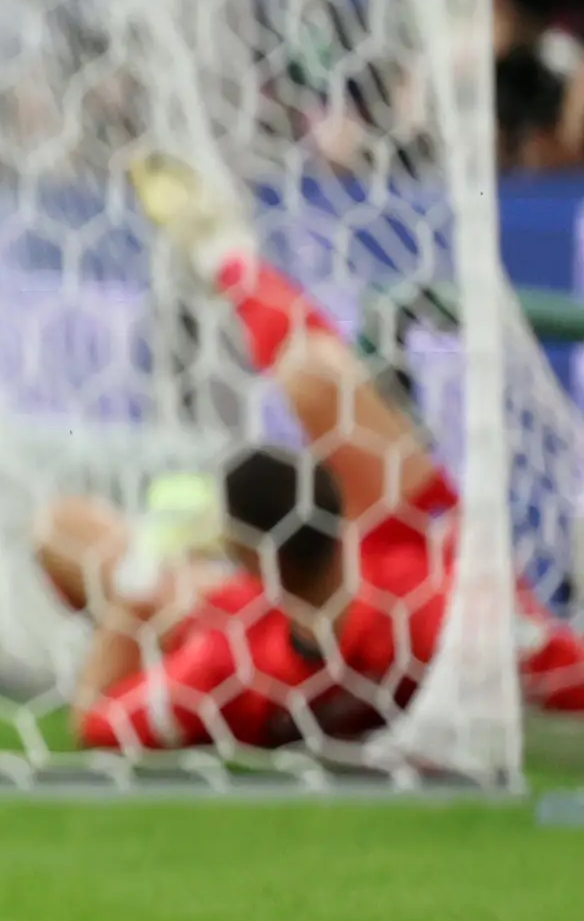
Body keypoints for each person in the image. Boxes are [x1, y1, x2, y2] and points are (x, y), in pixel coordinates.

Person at [39, 156, 584, 751]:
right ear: (341, 509)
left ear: (245, 557)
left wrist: (142, 576)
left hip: (267, 633)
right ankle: (228, 257)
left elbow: (94, 723)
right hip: (385, 599)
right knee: (311, 376)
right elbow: (563, 674)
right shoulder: (432, 592)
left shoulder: (233, 667)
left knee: (59, 531)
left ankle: (225, 255)